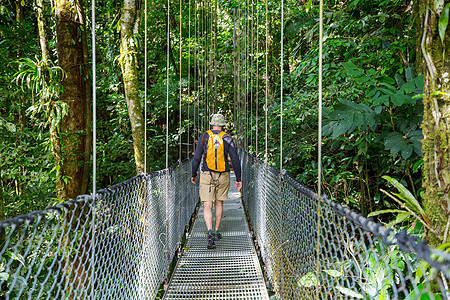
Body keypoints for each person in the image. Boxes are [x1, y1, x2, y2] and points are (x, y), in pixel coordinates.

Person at [191, 113, 242, 249]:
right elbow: (235, 159)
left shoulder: (204, 136)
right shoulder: (227, 137)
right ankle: (217, 231)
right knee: (219, 203)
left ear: (212, 123)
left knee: (207, 204)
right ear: (222, 124)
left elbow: (196, 157)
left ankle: (210, 231)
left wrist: (193, 173)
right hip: (223, 175)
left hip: (207, 174)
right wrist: (238, 178)